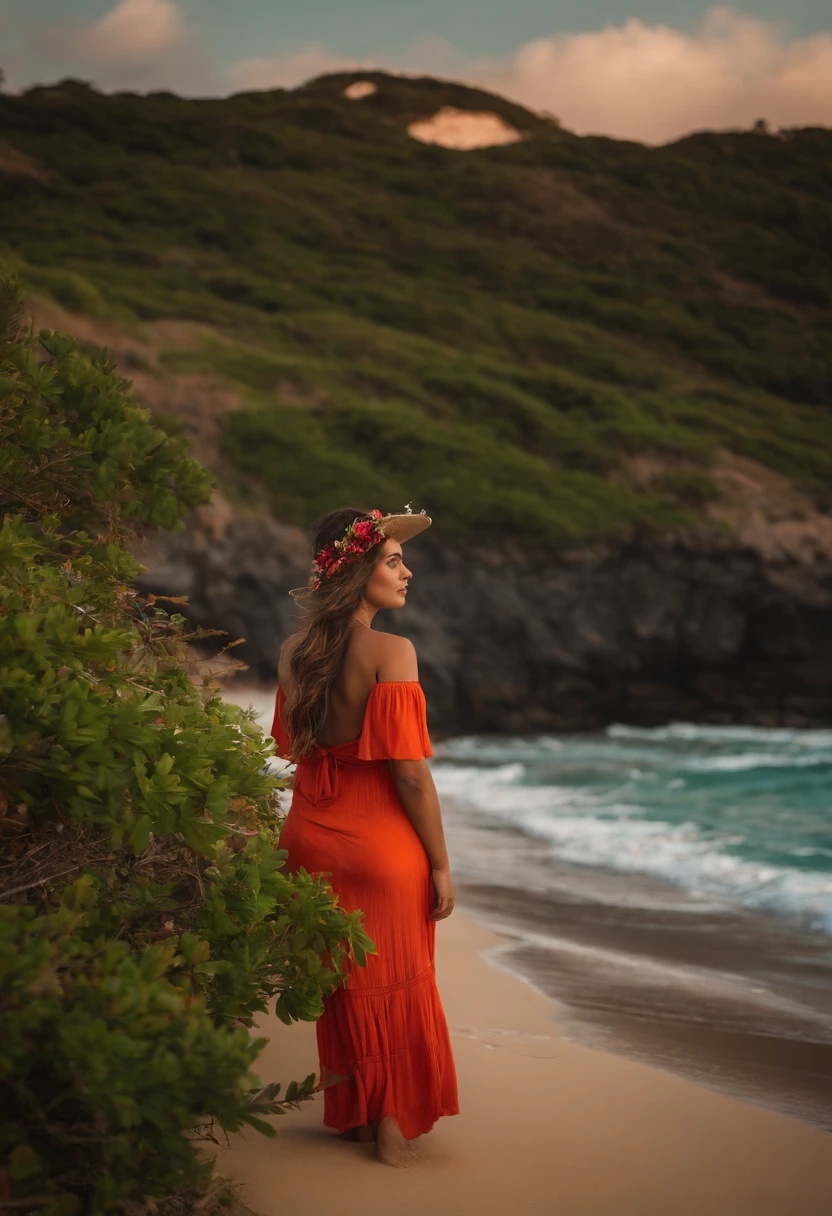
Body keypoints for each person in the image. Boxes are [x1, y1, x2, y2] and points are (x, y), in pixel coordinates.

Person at [270, 506, 460, 1168]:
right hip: (380, 843)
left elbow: (296, 750)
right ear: (356, 573)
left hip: (309, 837)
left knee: (344, 982)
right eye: (392, 560)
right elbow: (409, 775)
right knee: (396, 980)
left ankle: (355, 1113)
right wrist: (440, 865)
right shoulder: (393, 651)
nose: (407, 571)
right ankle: (388, 1126)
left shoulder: (294, 652)